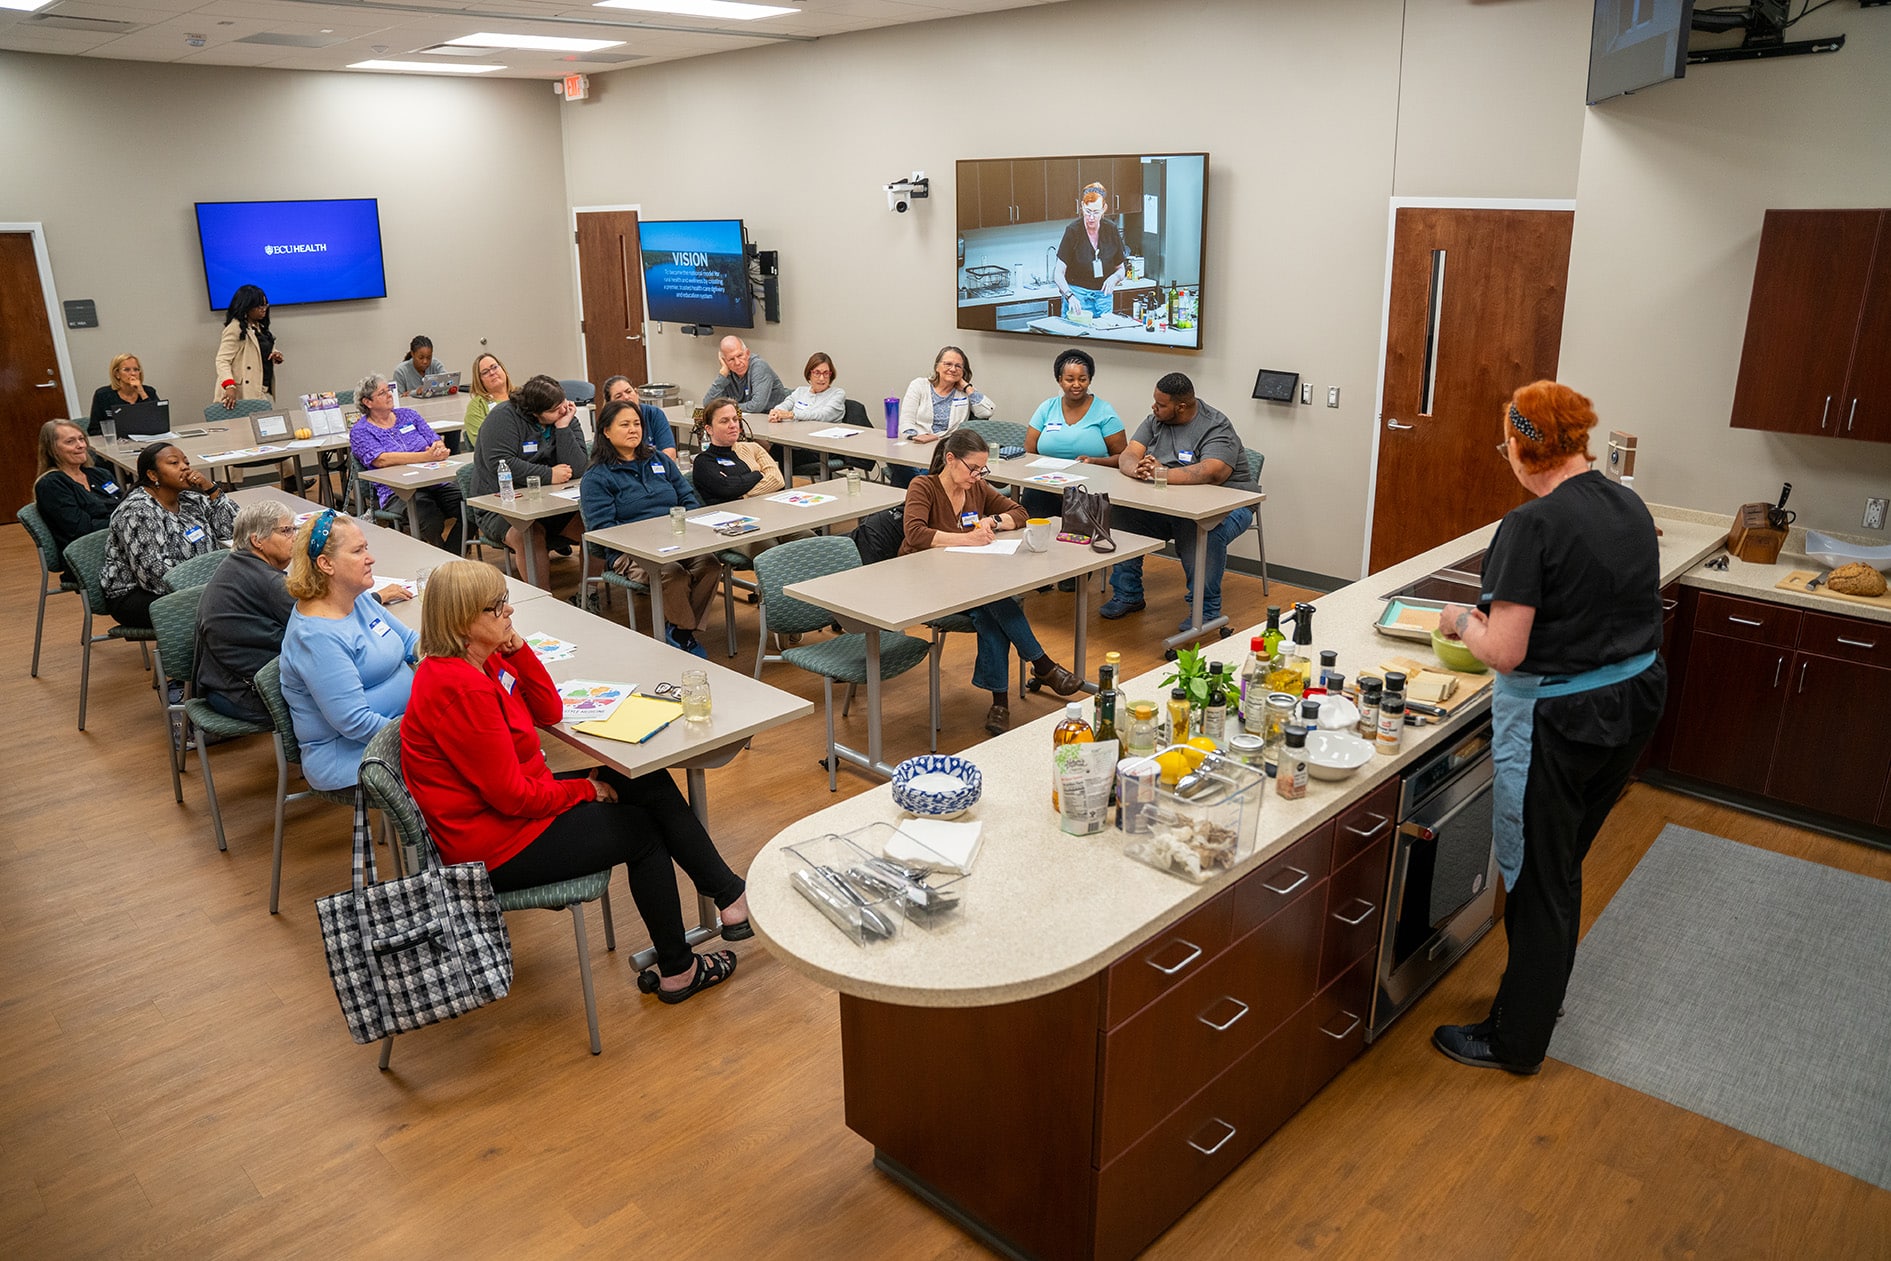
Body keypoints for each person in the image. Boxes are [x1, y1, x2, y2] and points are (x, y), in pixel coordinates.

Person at [1430, 381, 1668, 1077]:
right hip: (1631, 701)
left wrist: (1457, 620)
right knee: (1560, 864)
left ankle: (1515, 1039)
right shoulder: (1625, 501)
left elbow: (1503, 649)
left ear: (1516, 445)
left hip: (1563, 720)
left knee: (1539, 878)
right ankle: (1540, 992)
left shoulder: (1530, 525)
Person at [400, 561, 747, 1003]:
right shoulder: (462, 689)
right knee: (642, 834)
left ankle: (730, 897)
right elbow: (511, 798)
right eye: (497, 608)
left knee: (642, 778)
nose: (509, 613)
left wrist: (517, 647)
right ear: (463, 621)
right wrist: (585, 790)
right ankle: (680, 969)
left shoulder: (479, 663)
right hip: (493, 844)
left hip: (505, 811)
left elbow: (548, 710)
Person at [901, 429, 1083, 735]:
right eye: (973, 468)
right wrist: (966, 539)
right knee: (996, 602)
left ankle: (1002, 703)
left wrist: (994, 522)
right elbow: (915, 533)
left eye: (981, 470)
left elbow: (1021, 512)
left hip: (969, 583)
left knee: (990, 611)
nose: (977, 475)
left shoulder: (976, 488)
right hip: (925, 582)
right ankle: (1042, 665)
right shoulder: (923, 486)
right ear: (950, 459)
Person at [1098, 373, 1257, 632]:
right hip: (1170, 501)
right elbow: (1128, 453)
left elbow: (1213, 472)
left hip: (1232, 505)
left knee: (1201, 529)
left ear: (1181, 407)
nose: (1154, 408)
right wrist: (1136, 468)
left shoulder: (1215, 426)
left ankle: (1206, 612)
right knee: (1123, 516)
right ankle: (1128, 594)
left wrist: (1160, 474)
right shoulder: (1156, 420)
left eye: (1160, 405)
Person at [279, 510, 417, 792]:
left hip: (401, 728)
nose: (370, 558)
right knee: (468, 749)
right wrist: (424, 733)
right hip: (352, 755)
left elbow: (410, 642)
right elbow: (355, 723)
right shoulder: (316, 637)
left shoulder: (358, 599)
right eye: (358, 551)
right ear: (326, 564)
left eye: (366, 547)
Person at [581, 399, 718, 657]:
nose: (633, 429)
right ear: (606, 432)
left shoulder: (656, 459)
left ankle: (679, 630)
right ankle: (682, 630)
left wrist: (692, 528)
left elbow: (686, 497)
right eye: (624, 425)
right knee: (672, 573)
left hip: (677, 539)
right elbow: (603, 532)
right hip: (629, 553)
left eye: (637, 424)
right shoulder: (597, 477)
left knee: (710, 564)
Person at [99, 443, 236, 630]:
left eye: (186, 462)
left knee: (244, 595)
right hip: (139, 596)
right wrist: (205, 590)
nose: (185, 467)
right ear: (153, 475)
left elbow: (230, 530)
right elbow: (153, 576)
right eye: (174, 463)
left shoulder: (190, 499)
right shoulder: (138, 511)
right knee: (230, 606)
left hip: (197, 585)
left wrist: (211, 490)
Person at [471, 374, 588, 588]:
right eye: (555, 410)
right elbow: (501, 463)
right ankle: (546, 602)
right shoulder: (503, 418)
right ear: (535, 412)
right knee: (530, 533)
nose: (563, 410)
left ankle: (588, 593)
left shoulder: (565, 415)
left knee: (591, 524)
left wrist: (562, 427)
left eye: (563, 404)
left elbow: (579, 467)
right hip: (501, 506)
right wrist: (548, 475)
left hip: (552, 503)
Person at [195, 499, 296, 723]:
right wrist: (374, 598)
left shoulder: (238, 563)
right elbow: (323, 621)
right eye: (286, 531)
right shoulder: (268, 581)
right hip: (246, 694)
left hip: (222, 684)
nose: (294, 537)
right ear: (257, 540)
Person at [348, 372, 463, 553]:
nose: (389, 395)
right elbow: (382, 459)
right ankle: (445, 558)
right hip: (397, 491)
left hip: (434, 481)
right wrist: (426, 456)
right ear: (367, 402)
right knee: (429, 517)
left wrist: (439, 448)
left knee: (469, 506)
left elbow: (433, 439)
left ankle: (454, 553)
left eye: (389, 390)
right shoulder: (360, 431)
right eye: (382, 393)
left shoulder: (408, 415)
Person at [1020, 347, 1126, 517]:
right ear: (1060, 380)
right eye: (1070, 379)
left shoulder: (1104, 411)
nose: (1076, 385)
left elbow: (1123, 458)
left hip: (1090, 487)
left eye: (1082, 379)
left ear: (1090, 380)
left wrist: (1095, 461)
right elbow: (1029, 451)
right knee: (1033, 514)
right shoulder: (1047, 407)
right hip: (1045, 485)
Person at [894, 345, 996, 489]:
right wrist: (916, 437)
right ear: (937, 367)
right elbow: (906, 422)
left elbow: (987, 411)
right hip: (916, 447)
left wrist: (967, 387)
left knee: (927, 474)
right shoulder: (919, 385)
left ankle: (923, 493)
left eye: (958, 366)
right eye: (948, 364)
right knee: (897, 462)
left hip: (945, 453)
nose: (953, 369)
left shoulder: (964, 393)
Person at [33, 419, 126, 577]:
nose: (81, 445)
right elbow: (81, 529)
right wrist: (128, 522)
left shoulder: (100, 474)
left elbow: (126, 506)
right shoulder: (51, 484)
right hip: (90, 554)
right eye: (70, 441)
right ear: (52, 449)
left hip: (123, 541)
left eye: (81, 439)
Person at [1054, 182, 1128, 323]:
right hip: (1077, 297)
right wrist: (1069, 296)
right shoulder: (1073, 231)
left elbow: (1121, 269)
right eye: (1088, 211)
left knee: (1103, 340)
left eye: (1096, 212)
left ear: (1104, 209)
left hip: (1103, 297)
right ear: (1081, 206)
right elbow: (1058, 273)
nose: (1091, 217)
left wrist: (1114, 278)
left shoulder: (1111, 230)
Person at [691, 399, 785, 504]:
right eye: (724, 421)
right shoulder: (704, 461)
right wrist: (759, 474)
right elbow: (726, 488)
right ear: (709, 429)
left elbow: (777, 480)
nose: (733, 425)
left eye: (735, 419)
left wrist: (742, 495)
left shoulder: (753, 448)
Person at [215, 284, 282, 408]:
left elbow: (257, 349)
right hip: (240, 393)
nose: (264, 309)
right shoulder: (235, 328)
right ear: (246, 307)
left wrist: (275, 353)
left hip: (260, 387)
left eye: (265, 305)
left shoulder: (259, 327)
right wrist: (229, 386)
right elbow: (222, 360)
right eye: (259, 306)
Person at [701, 336, 788, 415]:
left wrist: (727, 407)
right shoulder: (727, 372)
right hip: (750, 419)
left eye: (740, 355)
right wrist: (723, 374)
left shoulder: (759, 366)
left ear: (747, 353)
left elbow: (757, 406)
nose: (737, 363)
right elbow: (708, 404)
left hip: (774, 417)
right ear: (724, 361)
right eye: (731, 359)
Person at [600, 375, 678, 459]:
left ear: (636, 393)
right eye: (619, 396)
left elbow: (669, 453)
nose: (626, 397)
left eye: (628, 391)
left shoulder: (654, 414)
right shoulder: (607, 421)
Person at [87, 353, 162, 437]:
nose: (133, 373)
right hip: (118, 443)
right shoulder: (102, 395)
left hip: (148, 441)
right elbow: (94, 430)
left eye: (136, 369)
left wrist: (142, 392)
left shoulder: (149, 391)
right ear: (117, 374)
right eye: (127, 370)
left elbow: (159, 423)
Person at [766, 352, 846, 424]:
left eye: (826, 373)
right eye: (817, 373)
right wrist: (776, 413)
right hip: (794, 434)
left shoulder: (838, 394)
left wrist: (792, 415)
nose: (822, 378)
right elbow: (784, 405)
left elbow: (823, 415)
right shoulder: (800, 391)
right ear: (809, 374)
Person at [463, 352, 511, 450]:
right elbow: (483, 443)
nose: (492, 373)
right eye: (485, 372)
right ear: (479, 380)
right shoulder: (477, 406)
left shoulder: (522, 395)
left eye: (494, 367)